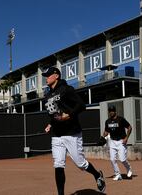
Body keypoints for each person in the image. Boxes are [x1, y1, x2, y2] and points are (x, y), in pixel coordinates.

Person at [43, 67, 106, 195]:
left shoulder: (66, 89)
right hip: (57, 134)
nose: (46, 78)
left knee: (81, 164)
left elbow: (81, 105)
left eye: (48, 75)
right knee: (58, 164)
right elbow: (54, 114)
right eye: (46, 75)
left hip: (71, 132)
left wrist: (68, 115)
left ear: (56, 76)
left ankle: (97, 175)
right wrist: (50, 124)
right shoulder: (48, 95)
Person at [102, 105, 133, 181]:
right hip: (112, 142)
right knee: (112, 159)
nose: (111, 112)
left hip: (121, 141)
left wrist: (126, 138)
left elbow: (129, 127)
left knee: (122, 159)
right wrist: (102, 137)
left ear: (115, 111)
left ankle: (129, 169)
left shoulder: (121, 119)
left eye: (112, 111)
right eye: (110, 111)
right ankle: (118, 175)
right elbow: (106, 131)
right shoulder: (107, 121)